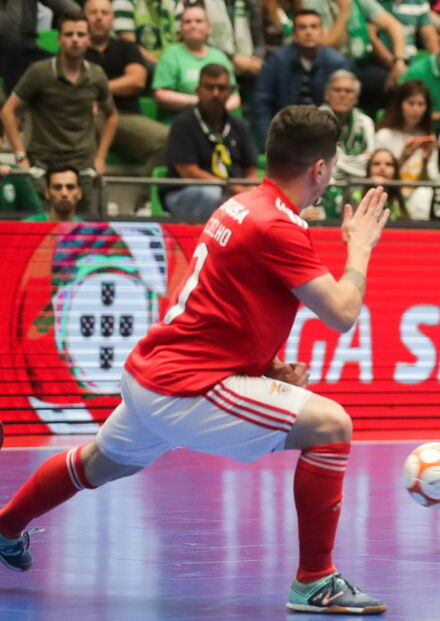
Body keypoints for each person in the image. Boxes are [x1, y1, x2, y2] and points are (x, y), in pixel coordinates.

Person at [0, 104, 391, 615]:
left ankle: (6, 526)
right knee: (331, 425)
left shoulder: (242, 205)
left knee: (98, 462)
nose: (332, 172)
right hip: (187, 387)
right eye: (333, 162)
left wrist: (267, 368)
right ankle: (315, 581)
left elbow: (221, 303)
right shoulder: (277, 225)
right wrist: (359, 247)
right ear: (319, 169)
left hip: (154, 374)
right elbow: (341, 313)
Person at [1, 11, 118, 217]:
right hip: (43, 163)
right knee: (38, 231)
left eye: (81, 35)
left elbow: (112, 115)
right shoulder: (39, 71)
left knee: (86, 233)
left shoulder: (96, 74)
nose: (75, 40)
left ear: (89, 39)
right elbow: (8, 110)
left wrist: (101, 156)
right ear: (59, 38)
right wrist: (20, 154)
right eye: (69, 34)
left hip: (83, 166)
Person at [85, 0, 169, 211]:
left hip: (125, 118)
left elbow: (137, 80)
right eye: (93, 12)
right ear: (84, 17)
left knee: (168, 139)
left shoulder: (126, 47)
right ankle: (92, 207)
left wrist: (99, 89)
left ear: (112, 18)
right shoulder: (77, 49)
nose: (99, 17)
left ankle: (144, 204)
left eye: (104, 12)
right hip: (86, 119)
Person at [162, 63, 259, 219]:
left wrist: (249, 190)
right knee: (210, 193)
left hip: (232, 194)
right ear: (198, 90)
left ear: (230, 92)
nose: (215, 94)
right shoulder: (183, 124)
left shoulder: (239, 125)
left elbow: (250, 170)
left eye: (221, 88)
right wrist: (231, 189)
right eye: (209, 88)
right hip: (186, 193)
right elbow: (188, 172)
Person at [252, 9, 352, 144]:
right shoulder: (278, 59)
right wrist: (268, 140)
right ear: (294, 34)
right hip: (286, 131)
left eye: (314, 27)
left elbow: (345, 103)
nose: (308, 32)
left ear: (322, 32)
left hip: (324, 132)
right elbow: (262, 101)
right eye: (302, 27)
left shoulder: (337, 62)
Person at [152, 4, 241, 118]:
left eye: (198, 21)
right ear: (181, 28)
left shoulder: (220, 56)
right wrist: (201, 101)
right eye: (187, 22)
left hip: (217, 122)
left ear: (209, 27)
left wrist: (216, 110)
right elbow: (160, 95)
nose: (193, 25)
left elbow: (235, 97)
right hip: (179, 123)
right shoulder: (171, 54)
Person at [374, 79, 439, 219]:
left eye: (421, 104)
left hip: (418, 198)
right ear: (400, 104)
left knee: (423, 193)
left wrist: (426, 161)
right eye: (411, 103)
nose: (416, 110)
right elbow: (375, 173)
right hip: (390, 195)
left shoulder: (428, 136)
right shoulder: (384, 136)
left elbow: (430, 181)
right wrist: (403, 159)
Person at [318, 71, 376, 217]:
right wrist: (356, 162)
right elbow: (325, 165)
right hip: (325, 184)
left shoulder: (366, 123)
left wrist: (340, 162)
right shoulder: (316, 121)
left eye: (348, 91)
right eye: (337, 90)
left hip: (360, 185)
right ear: (327, 94)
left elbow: (370, 161)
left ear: (355, 97)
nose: (342, 95)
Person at [112, 0, 183, 66]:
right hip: (135, 64)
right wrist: (163, 67)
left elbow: (180, 39)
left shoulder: (175, 2)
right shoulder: (124, 1)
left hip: (171, 64)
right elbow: (129, 45)